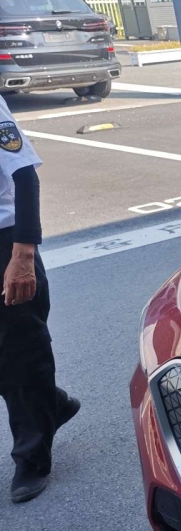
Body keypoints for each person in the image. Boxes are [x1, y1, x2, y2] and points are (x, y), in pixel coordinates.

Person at [0, 95, 77, 503]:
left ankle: (32, 458)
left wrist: (23, 254)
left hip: (6, 244)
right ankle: (51, 404)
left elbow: (24, 175)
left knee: (22, 354)